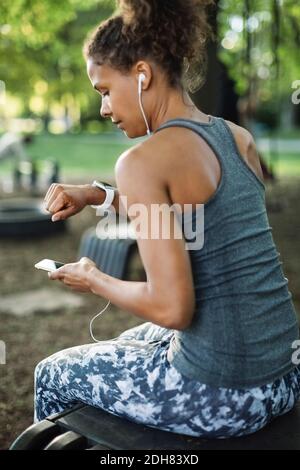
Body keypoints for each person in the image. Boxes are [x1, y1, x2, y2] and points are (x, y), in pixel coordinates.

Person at [34, 0, 300, 438]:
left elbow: (173, 307)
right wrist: (96, 196)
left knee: (51, 372)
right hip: (284, 376)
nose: (103, 109)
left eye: (104, 91)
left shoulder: (142, 161)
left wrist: (92, 277)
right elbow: (188, 208)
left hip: (225, 396)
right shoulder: (237, 138)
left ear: (142, 74)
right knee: (126, 343)